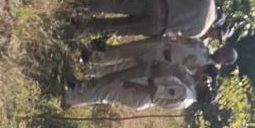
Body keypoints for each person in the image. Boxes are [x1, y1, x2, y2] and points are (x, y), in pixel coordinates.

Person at [81, 0, 217, 39]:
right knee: (117, 28)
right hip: (159, 26)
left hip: (158, 3)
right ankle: (83, 27)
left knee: (115, 5)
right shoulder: (201, 31)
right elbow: (177, 37)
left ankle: (80, 8)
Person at [63, 59, 197, 111]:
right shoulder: (188, 101)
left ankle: (70, 99)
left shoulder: (185, 93)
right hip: (146, 98)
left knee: (105, 92)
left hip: (142, 92)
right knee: (106, 93)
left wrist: (134, 85)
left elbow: (156, 90)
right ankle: (73, 96)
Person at [85, 37, 237, 77]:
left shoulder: (205, 69)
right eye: (223, 50)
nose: (220, 52)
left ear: (224, 63)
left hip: (160, 62)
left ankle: (91, 71)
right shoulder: (203, 48)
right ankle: (92, 57)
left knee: (123, 67)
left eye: (223, 55)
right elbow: (184, 39)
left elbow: (185, 74)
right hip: (160, 47)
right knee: (125, 52)